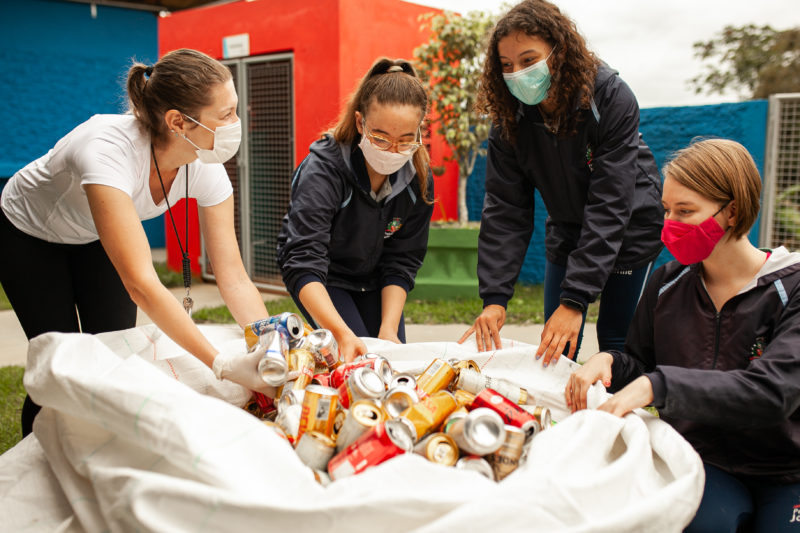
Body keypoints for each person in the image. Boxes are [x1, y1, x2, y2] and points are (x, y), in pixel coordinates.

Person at [0, 48, 277, 438]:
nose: (238, 122)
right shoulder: (108, 151)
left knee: (114, 354)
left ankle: (96, 449)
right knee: (63, 360)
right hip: (29, 233)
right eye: (226, 114)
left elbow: (232, 276)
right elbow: (141, 283)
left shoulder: (205, 168)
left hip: (93, 233)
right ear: (179, 122)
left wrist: (268, 342)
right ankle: (38, 458)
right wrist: (221, 363)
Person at [566, 139, 800, 533]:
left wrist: (658, 386)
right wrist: (609, 361)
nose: (671, 223)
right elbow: (642, 364)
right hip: (701, 459)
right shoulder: (666, 283)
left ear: (733, 211)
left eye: (685, 211)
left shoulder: (790, 287)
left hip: (787, 470)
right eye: (667, 210)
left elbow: (774, 392)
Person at [459, 0, 664, 363]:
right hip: (568, 228)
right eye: (506, 65)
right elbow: (505, 210)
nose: (517, 73)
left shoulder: (611, 98)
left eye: (528, 59)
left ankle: (615, 416)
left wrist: (575, 299)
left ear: (561, 51)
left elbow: (610, 205)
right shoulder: (509, 118)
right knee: (556, 348)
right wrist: (495, 299)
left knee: (617, 342)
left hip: (630, 228)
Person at [277, 58, 434, 362]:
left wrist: (389, 329)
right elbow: (303, 259)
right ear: (361, 123)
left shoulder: (419, 177)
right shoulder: (324, 169)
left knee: (389, 358)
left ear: (419, 132)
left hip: (375, 279)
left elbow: (403, 260)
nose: (392, 151)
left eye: (405, 140)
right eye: (380, 137)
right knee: (354, 357)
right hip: (324, 277)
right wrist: (340, 333)